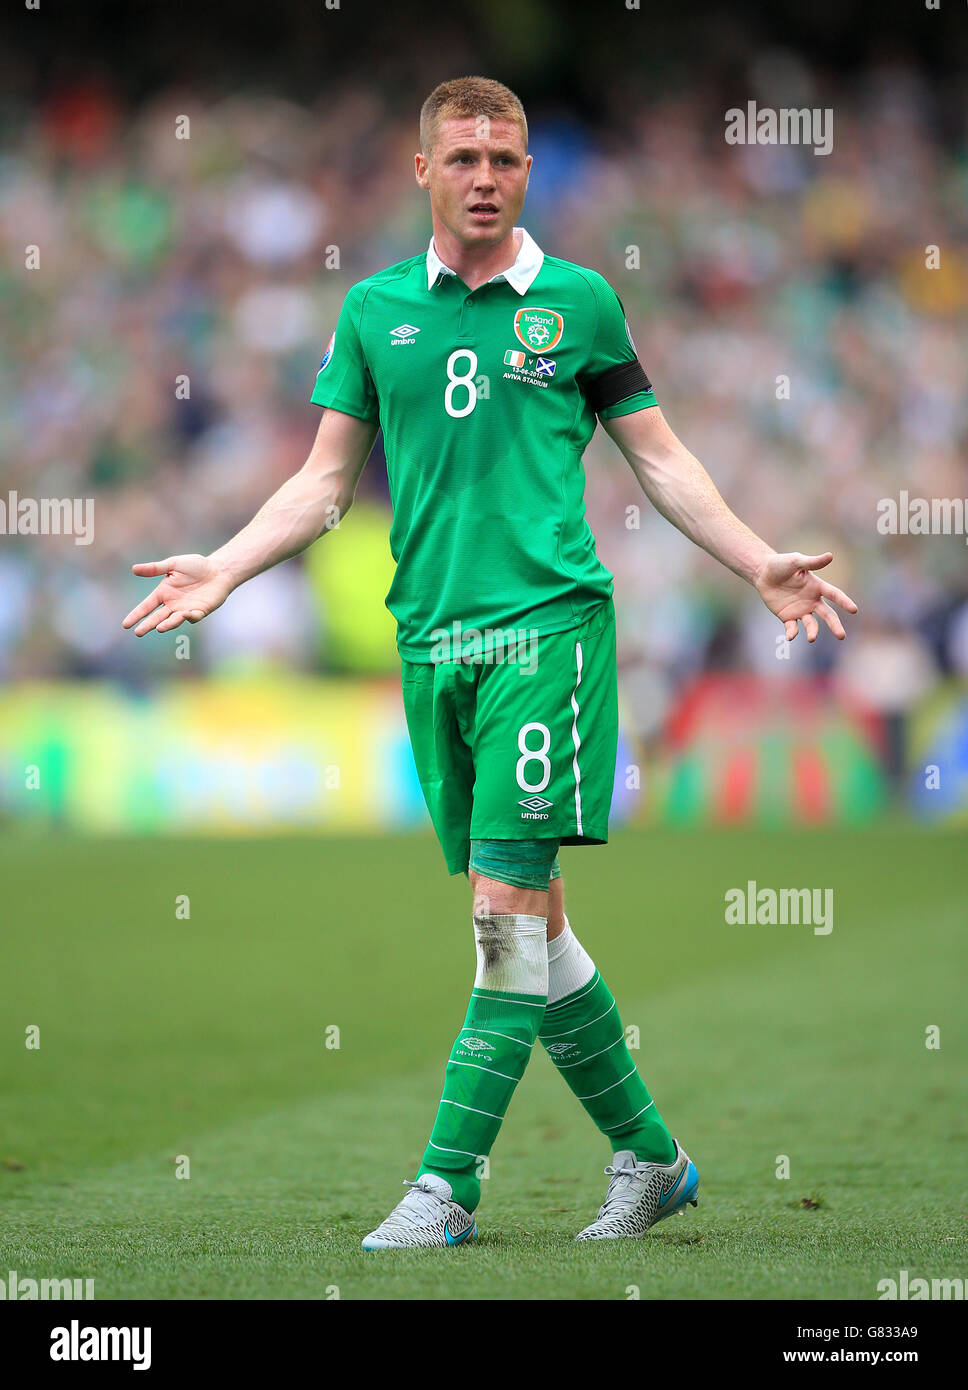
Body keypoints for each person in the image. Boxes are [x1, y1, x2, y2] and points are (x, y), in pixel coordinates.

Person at [123, 76, 857, 1248]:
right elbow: (322, 484)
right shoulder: (373, 312)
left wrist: (756, 558)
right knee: (533, 925)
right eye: (461, 159)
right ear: (422, 171)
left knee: (500, 919)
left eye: (504, 160)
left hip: (546, 635)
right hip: (434, 645)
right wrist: (223, 565)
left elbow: (659, 461)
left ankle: (445, 1186)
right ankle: (654, 1159)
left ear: (526, 174)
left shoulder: (577, 303)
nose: (483, 178)